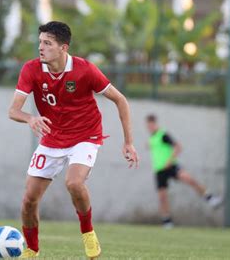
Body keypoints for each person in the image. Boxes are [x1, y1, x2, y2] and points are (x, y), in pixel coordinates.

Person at [8, 21, 139, 259]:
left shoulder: (85, 69)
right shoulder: (31, 69)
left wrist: (128, 142)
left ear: (63, 48)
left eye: (47, 43)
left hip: (84, 136)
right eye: (40, 42)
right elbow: (13, 111)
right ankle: (32, 249)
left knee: (74, 183)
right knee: (28, 200)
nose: (41, 48)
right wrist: (30, 119)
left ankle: (88, 233)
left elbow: (121, 100)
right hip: (51, 139)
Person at [146, 114, 222, 228]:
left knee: (189, 179)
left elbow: (178, 147)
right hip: (159, 170)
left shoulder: (163, 135)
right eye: (148, 125)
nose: (150, 127)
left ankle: (210, 198)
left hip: (170, 166)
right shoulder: (151, 138)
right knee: (162, 197)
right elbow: (154, 149)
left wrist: (169, 161)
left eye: (151, 125)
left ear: (155, 124)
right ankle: (167, 222)